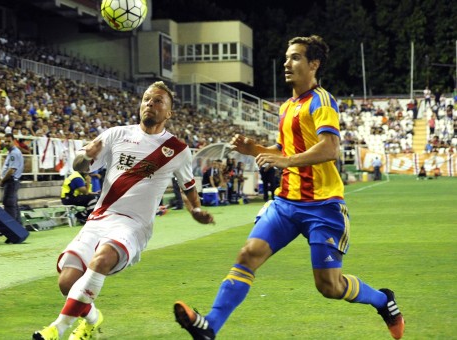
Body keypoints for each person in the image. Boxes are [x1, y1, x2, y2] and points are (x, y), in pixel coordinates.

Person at [173, 35, 404, 340]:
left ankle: (382, 300)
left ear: (314, 65)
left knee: (329, 287)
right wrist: (253, 148)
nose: (287, 63)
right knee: (248, 255)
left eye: (295, 57)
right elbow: (283, 150)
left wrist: (288, 161)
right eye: (286, 57)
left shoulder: (322, 100)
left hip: (323, 206)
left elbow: (330, 149)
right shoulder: (287, 107)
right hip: (286, 204)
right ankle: (210, 326)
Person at [33, 81, 214, 340]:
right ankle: (92, 321)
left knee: (102, 259)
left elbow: (188, 187)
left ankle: (56, 329)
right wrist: (85, 157)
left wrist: (195, 210)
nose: (150, 104)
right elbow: (81, 164)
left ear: (169, 113)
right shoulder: (116, 134)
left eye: (158, 101)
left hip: (134, 224)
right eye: (147, 99)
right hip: (100, 217)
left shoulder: (177, 150)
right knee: (67, 282)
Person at [0, 133, 23, 225]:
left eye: (9, 141)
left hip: (11, 182)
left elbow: (11, 170)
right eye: (5, 141)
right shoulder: (12, 152)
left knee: (9, 204)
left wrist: (2, 180)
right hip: (12, 181)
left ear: (14, 141)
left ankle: (12, 227)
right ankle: (18, 226)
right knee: (14, 204)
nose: (7, 143)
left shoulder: (14, 153)